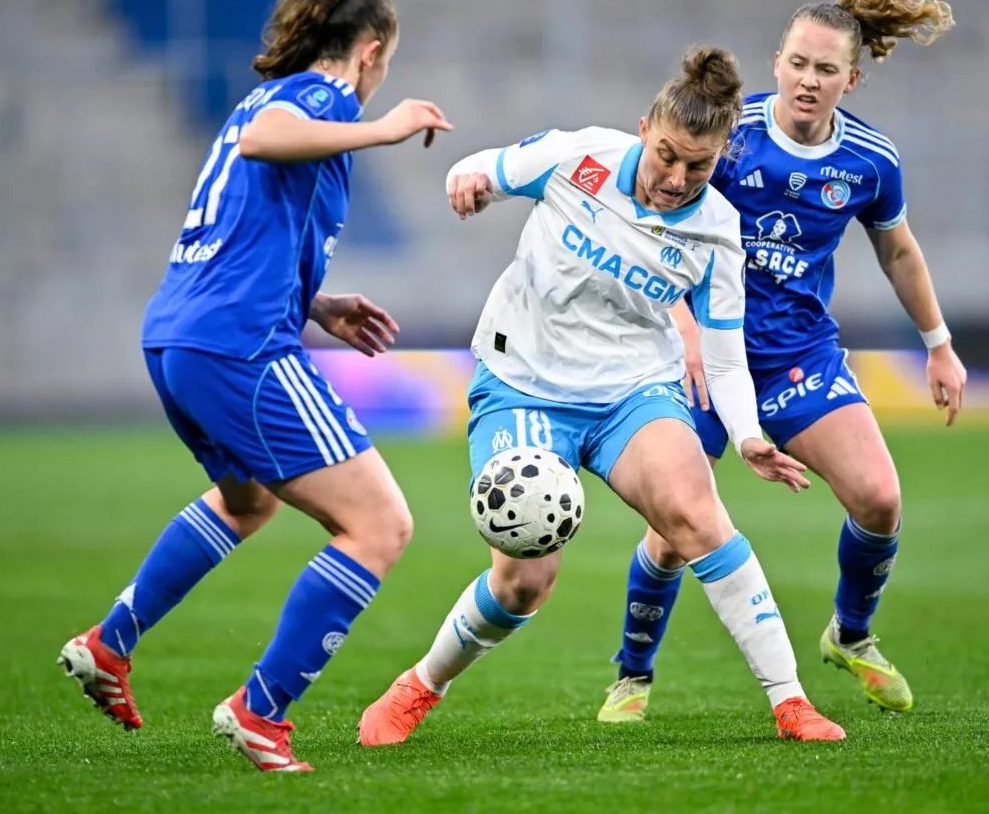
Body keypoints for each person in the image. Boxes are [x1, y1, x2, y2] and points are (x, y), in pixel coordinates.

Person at [357, 45, 848, 747]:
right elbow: (484, 167)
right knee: (525, 582)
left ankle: (791, 701)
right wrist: (466, 181)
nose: (678, 178)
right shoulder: (579, 156)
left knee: (698, 513)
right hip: (524, 381)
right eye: (668, 155)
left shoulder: (717, 230)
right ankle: (420, 684)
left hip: (630, 390)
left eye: (700, 166)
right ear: (644, 128)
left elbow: (723, 355)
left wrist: (747, 435)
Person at [56, 0, 452, 773]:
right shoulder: (317, 98)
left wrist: (319, 304)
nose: (381, 88)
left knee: (249, 499)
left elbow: (247, 222)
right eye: (386, 70)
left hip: (178, 335)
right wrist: (380, 128)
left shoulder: (266, 100)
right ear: (371, 52)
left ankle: (110, 641)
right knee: (381, 523)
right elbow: (266, 141)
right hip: (237, 346)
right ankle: (259, 710)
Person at [596, 0, 967, 724]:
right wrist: (687, 327)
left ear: (849, 82)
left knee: (880, 497)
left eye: (824, 69)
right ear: (776, 63)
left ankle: (849, 634)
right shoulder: (730, 141)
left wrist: (938, 342)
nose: (806, 79)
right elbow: (661, 225)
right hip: (702, 353)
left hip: (799, 353)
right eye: (796, 62)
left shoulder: (871, 160)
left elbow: (898, 249)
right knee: (673, 533)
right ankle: (632, 674)